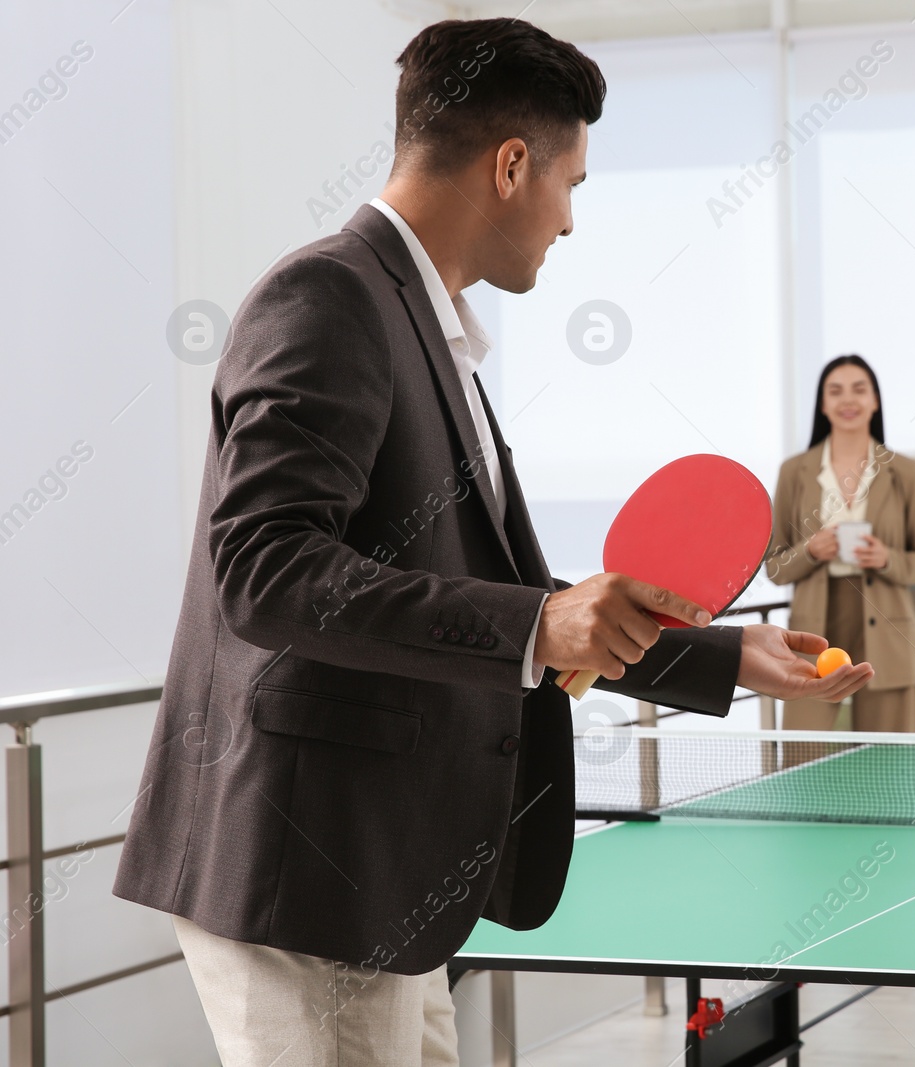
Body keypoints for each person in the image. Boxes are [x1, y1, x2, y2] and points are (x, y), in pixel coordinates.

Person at [112, 19, 872, 1066]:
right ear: (511, 166)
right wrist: (540, 620)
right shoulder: (330, 298)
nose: (569, 221)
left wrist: (724, 652)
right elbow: (266, 568)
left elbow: (482, 586)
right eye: (573, 184)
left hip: (377, 872)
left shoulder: (426, 322)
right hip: (313, 870)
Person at [767, 355, 915, 733]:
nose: (848, 400)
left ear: (875, 401)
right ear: (823, 404)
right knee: (803, 751)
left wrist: (886, 558)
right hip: (816, 624)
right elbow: (774, 569)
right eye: (836, 391)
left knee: (892, 757)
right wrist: (810, 551)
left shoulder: (903, 472)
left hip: (888, 625)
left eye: (859, 389)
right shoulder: (794, 471)